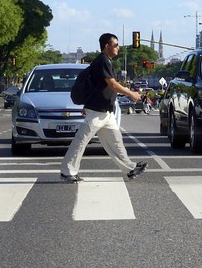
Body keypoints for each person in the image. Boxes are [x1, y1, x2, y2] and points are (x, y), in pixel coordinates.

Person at [60, 33, 149, 183]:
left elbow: (96, 87)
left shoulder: (104, 61)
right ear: (107, 46)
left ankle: (129, 169)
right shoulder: (103, 61)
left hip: (106, 112)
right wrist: (131, 93)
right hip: (96, 111)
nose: (118, 48)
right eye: (116, 45)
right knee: (81, 141)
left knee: (115, 141)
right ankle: (67, 171)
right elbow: (112, 85)